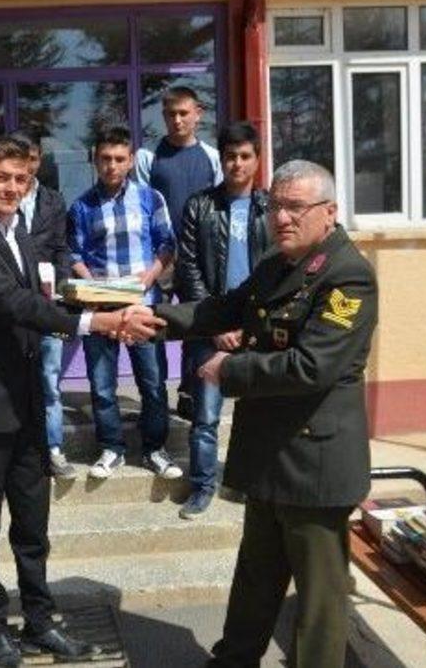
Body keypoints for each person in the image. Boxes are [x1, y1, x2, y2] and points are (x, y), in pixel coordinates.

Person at [135, 160, 378, 667]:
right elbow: (222, 309)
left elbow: (312, 366)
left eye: (296, 207)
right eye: (275, 206)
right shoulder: (276, 262)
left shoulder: (348, 275)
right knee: (256, 577)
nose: (282, 218)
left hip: (314, 463)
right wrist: (154, 319)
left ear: (329, 212)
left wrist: (232, 369)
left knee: (319, 599)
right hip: (269, 453)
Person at [0, 134, 163, 667]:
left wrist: (102, 299)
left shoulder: (20, 232)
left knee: (32, 523)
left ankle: (39, 621)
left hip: (28, 398)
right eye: (1, 177)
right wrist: (93, 322)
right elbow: (10, 302)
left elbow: (42, 293)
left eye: (21, 178)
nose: (12, 187)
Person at [68, 124, 181, 481]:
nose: (112, 166)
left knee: (153, 382)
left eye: (119, 159)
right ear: (95, 160)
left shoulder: (151, 198)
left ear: (131, 160)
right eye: (105, 158)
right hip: (101, 311)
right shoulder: (82, 206)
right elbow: (74, 253)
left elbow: (167, 244)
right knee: (102, 385)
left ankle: (155, 449)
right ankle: (111, 448)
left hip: (143, 306)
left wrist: (149, 278)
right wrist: (94, 286)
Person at [173, 122, 269, 519]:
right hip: (210, 325)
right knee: (205, 417)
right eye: (230, 156)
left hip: (257, 328)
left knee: (257, 414)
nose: (237, 164)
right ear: (221, 160)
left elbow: (280, 270)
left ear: (257, 160)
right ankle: (202, 486)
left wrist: (250, 326)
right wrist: (217, 326)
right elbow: (188, 270)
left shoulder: (271, 208)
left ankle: (249, 483)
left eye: (245, 156)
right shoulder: (199, 206)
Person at [134, 85, 224, 421]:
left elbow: (217, 208)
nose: (177, 120)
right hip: (159, 259)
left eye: (184, 113)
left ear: (198, 114)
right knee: (152, 324)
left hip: (197, 258)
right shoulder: (148, 157)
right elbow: (142, 209)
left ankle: (190, 392)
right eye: (171, 114)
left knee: (196, 325)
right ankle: (154, 399)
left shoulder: (212, 157)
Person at [10, 128, 77, 479]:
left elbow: (62, 248)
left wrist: (61, 286)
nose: (28, 165)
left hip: (47, 304)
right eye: (21, 159)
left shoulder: (53, 200)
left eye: (33, 159)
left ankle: (53, 448)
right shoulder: (0, 198)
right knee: (12, 381)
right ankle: (19, 451)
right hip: (10, 306)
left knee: (49, 381)